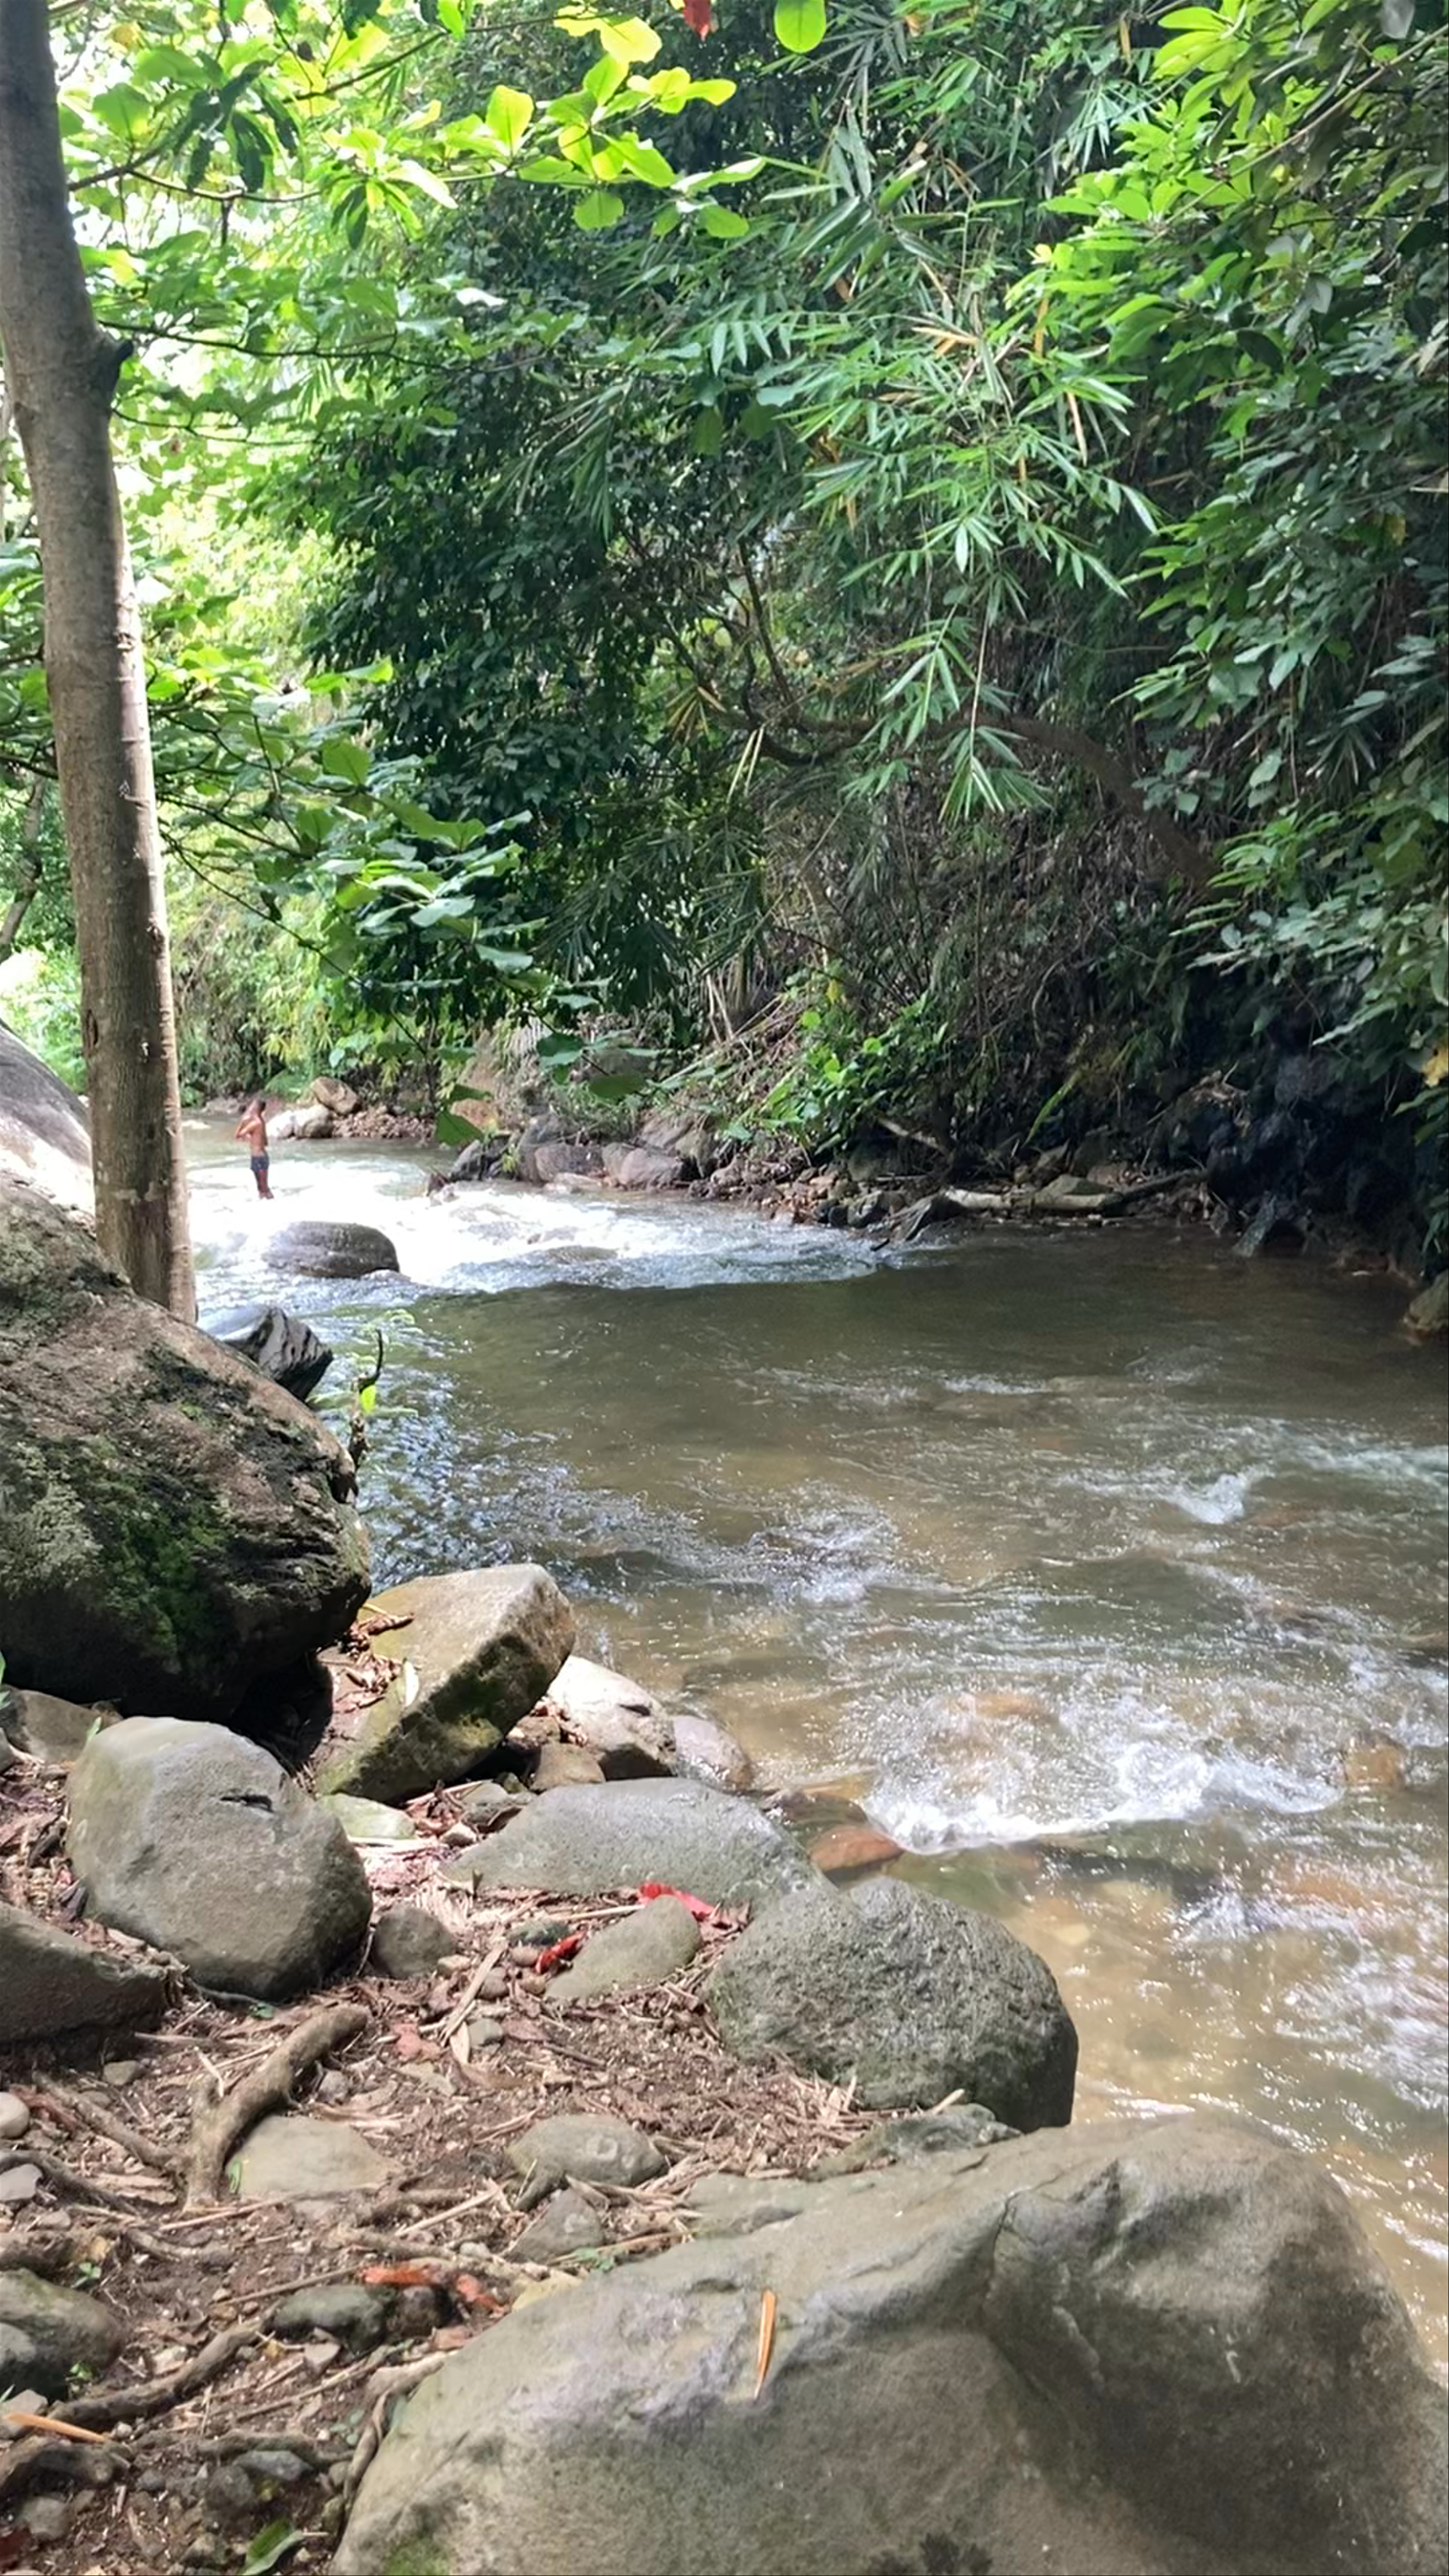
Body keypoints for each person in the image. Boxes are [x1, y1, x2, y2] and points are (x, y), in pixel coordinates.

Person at [235, 1095, 273, 1200]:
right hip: (261, 1156)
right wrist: (253, 1137)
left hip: (259, 1158)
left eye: (252, 1106)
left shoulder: (256, 1123)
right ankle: (271, 1206)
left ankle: (270, 1207)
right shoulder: (261, 1122)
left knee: (263, 1190)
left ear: (256, 1108)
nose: (250, 1108)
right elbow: (265, 1142)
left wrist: (243, 1122)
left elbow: (238, 1135)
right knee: (263, 1189)